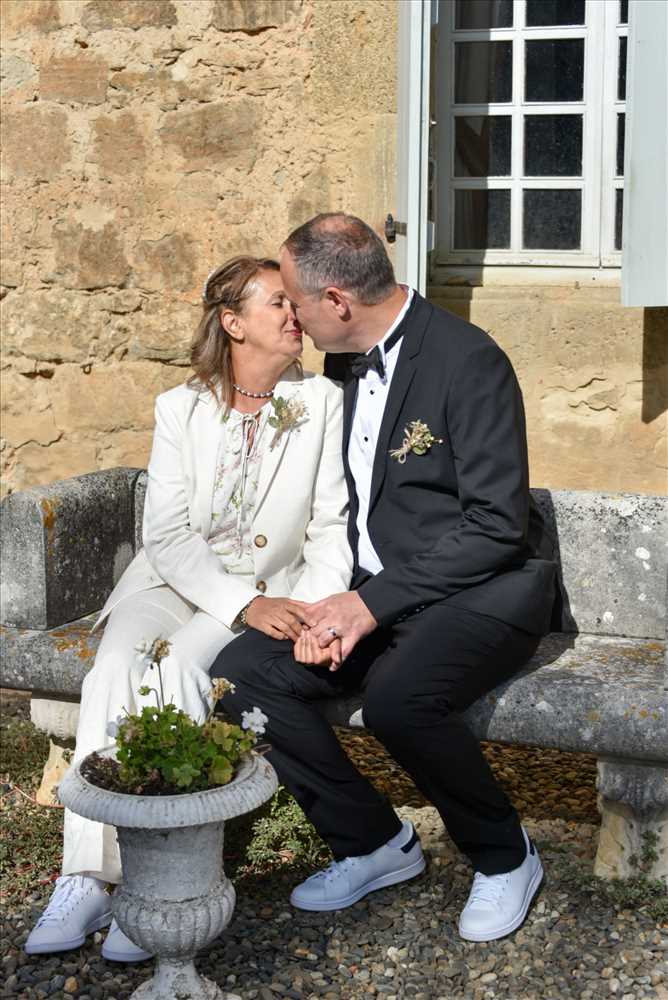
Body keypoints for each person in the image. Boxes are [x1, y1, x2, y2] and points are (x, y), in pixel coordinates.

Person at [212, 214, 557, 942]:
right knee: (242, 674)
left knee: (401, 702)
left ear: (337, 301)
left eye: (296, 301)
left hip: (480, 593)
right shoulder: (342, 363)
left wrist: (367, 606)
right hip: (369, 593)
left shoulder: (470, 361)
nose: (291, 316)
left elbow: (497, 525)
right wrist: (330, 600)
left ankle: (504, 855)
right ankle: (373, 842)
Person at [25, 256, 353, 961]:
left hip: (272, 590)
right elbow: (167, 535)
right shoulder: (180, 407)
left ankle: (164, 881)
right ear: (233, 323)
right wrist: (243, 603)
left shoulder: (322, 402)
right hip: (172, 583)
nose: (295, 313)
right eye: (277, 303)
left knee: (179, 670)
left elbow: (331, 525)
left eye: (293, 303)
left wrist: (313, 606)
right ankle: (88, 877)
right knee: (115, 667)